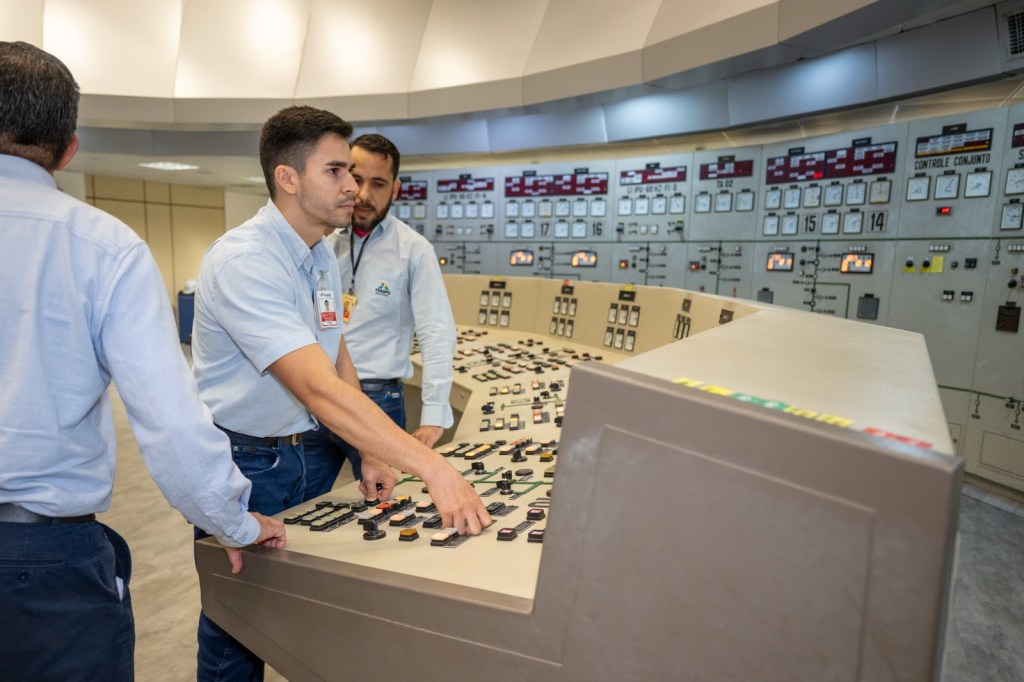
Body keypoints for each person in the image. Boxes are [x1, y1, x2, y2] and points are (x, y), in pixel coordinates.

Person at [0, 41, 286, 682]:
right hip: (43, 564)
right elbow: (169, 419)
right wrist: (232, 522)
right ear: (69, 148)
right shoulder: (103, 248)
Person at [191, 105, 491, 680]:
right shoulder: (246, 261)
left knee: (295, 608)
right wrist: (433, 467)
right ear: (288, 178)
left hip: (307, 448)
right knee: (237, 620)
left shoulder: (318, 251)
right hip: (250, 458)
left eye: (354, 174)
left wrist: (375, 452)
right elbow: (318, 388)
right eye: (336, 171)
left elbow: (334, 349)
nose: (353, 185)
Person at [302, 134, 457, 497]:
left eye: (378, 184)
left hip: (378, 402)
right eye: (356, 179)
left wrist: (435, 412)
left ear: (396, 189)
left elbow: (436, 331)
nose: (363, 194)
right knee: (297, 515)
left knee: (385, 513)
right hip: (317, 394)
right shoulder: (319, 243)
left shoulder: (413, 250)